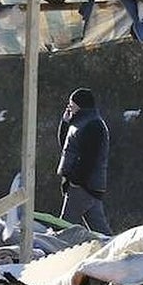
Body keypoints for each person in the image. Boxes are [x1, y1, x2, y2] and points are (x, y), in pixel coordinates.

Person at [57, 87, 112, 234]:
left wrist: (75, 181)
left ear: (80, 104)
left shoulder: (93, 125)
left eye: (71, 104)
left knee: (63, 230)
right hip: (85, 186)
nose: (69, 107)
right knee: (101, 232)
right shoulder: (80, 123)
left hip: (83, 186)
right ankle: (117, 247)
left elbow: (89, 158)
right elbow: (67, 146)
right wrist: (65, 122)